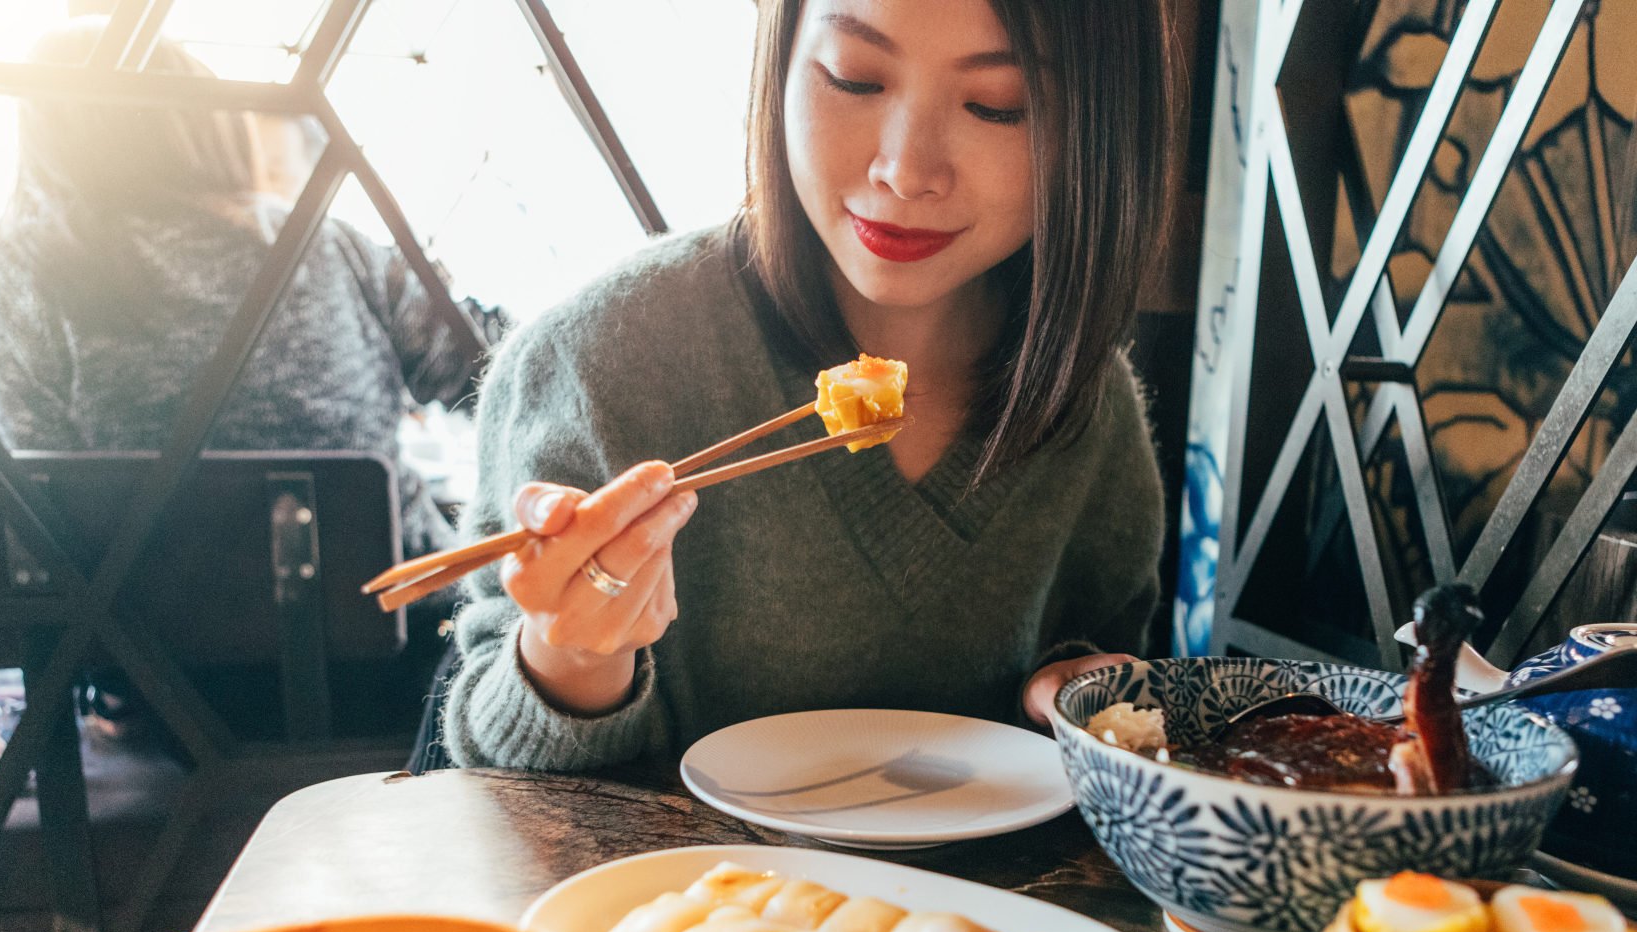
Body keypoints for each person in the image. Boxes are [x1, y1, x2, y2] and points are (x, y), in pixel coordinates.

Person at [441, 0, 1174, 772]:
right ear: (783, 59)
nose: (905, 168)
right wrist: (573, 659)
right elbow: (496, 784)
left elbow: (1109, 682)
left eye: (999, 106)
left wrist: (1087, 695)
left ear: (1099, 127)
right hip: (679, 892)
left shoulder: (1087, 405)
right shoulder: (595, 364)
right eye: (854, 79)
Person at [0, 18, 510, 559]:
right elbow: (495, 372)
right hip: (399, 612)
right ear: (202, 118)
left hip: (157, 628)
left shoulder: (21, 275)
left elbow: (40, 486)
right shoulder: (321, 240)